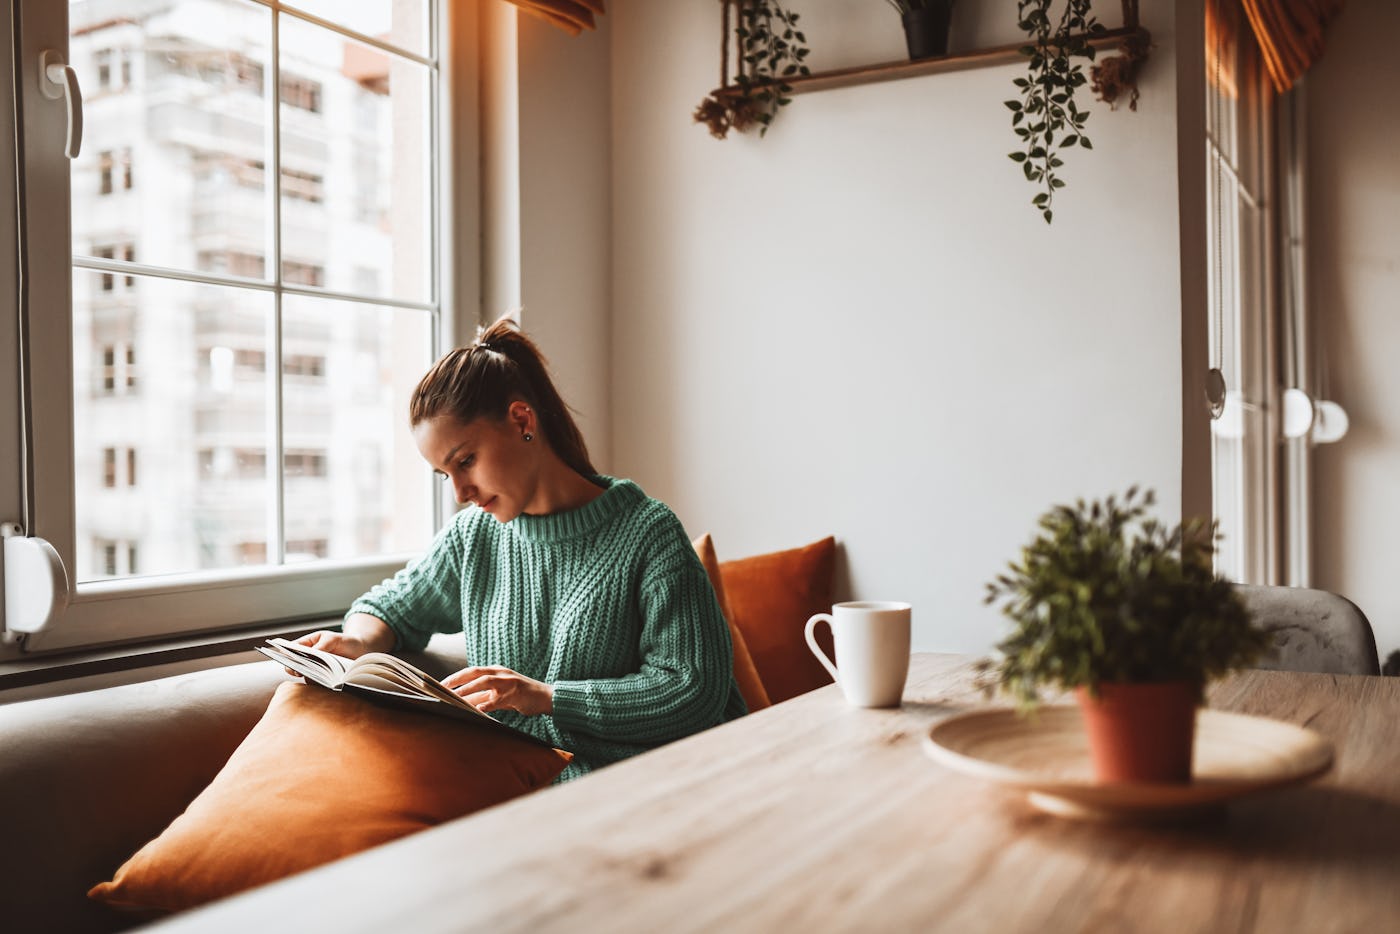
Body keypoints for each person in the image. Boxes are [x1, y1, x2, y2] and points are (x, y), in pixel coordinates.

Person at [295, 315, 746, 781]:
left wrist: (545, 698)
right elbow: (387, 606)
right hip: (536, 796)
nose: (460, 493)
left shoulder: (648, 534)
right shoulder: (474, 537)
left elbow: (692, 692)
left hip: (673, 783)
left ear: (521, 420)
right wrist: (361, 640)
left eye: (465, 461)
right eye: (444, 475)